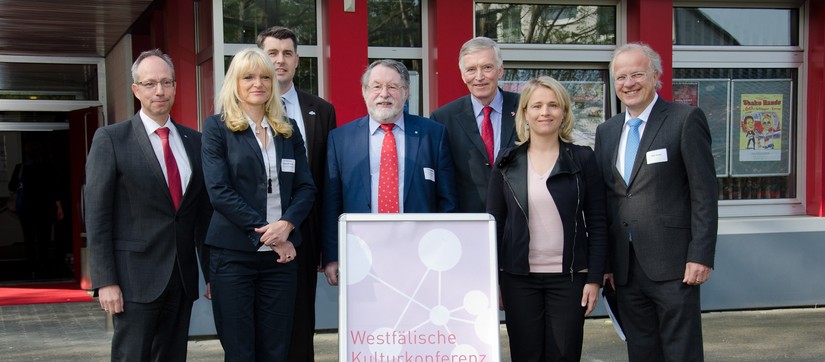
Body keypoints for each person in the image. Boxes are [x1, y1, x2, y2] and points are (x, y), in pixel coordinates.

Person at [84, 49, 211, 361]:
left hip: (181, 278)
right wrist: (105, 281)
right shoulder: (111, 139)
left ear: (176, 87)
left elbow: (202, 217)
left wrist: (211, 273)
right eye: (151, 83)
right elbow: (98, 216)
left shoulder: (194, 141)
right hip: (132, 281)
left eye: (167, 82)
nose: (160, 91)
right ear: (136, 89)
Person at [594, 43, 718, 361]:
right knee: (642, 349)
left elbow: (704, 193)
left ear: (656, 76)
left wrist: (700, 255)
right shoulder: (606, 132)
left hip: (675, 264)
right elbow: (607, 200)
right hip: (625, 268)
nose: (629, 83)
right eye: (621, 77)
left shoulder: (684, 120)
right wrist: (606, 263)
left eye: (638, 74)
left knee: (681, 351)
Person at [201, 47, 315, 361]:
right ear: (234, 82)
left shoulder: (287, 129)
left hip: (281, 261)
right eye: (248, 76)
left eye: (265, 76)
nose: (258, 83)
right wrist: (271, 237)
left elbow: (306, 187)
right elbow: (220, 192)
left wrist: (287, 226)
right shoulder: (217, 129)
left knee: (277, 349)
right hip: (234, 256)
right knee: (240, 351)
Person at [487, 76, 608, 361]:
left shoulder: (583, 159)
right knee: (525, 355)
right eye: (537, 105)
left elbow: (598, 222)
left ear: (564, 111)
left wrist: (594, 279)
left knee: (563, 355)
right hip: (518, 280)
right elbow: (495, 225)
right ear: (525, 113)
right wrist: (495, 280)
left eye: (553, 105)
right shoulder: (506, 161)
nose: (545, 112)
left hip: (569, 279)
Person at [321, 59, 457, 286]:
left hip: (422, 253)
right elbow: (331, 203)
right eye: (376, 86)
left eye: (392, 87)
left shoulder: (433, 134)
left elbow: (448, 200)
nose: (384, 93)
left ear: (406, 92)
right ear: (364, 92)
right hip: (361, 254)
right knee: (365, 320)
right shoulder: (340, 139)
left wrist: (444, 248)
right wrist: (332, 256)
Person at [256, 26, 337, 362]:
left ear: (297, 60)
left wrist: (327, 246)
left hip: (304, 235)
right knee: (259, 327)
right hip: (256, 235)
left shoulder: (321, 109)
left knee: (301, 323)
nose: (280, 60)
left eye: (287, 53)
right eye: (272, 53)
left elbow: (327, 180)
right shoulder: (235, 113)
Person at [430, 36, 518, 213]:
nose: (479, 77)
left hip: (519, 219)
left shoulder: (525, 108)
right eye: (471, 70)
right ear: (463, 76)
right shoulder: (442, 118)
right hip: (469, 222)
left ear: (500, 70)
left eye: (487, 67)